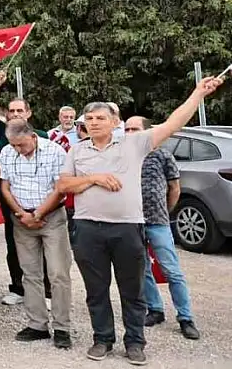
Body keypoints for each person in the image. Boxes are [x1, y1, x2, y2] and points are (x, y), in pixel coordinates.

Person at [57, 79, 220, 365]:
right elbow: (63, 185)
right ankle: (102, 339)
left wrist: (197, 94)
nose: (94, 123)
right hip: (87, 229)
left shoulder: (135, 143)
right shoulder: (78, 150)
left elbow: (173, 123)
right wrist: (93, 179)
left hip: (127, 228)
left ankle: (134, 342)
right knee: (96, 290)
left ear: (114, 121)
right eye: (90, 119)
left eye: (101, 118)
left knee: (132, 289)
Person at [0, 119, 73, 350]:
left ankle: (62, 327)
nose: (18, 150)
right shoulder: (8, 152)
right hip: (22, 219)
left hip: (51, 218)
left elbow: (60, 189)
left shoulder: (55, 151)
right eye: (13, 145)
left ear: (32, 136)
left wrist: (39, 213)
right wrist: (21, 213)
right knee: (30, 274)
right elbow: (5, 187)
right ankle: (37, 324)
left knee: (58, 273)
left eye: (21, 145)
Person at [124, 116, 200, 340]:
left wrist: (166, 211)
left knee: (171, 270)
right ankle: (155, 309)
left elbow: (174, 187)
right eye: (126, 129)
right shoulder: (124, 156)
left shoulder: (162, 155)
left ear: (147, 132)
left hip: (158, 221)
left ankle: (186, 317)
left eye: (134, 129)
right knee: (142, 269)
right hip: (132, 221)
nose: (130, 133)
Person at [0, 70, 49, 307]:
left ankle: (46, 292)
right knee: (14, 244)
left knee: (43, 247)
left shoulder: (41, 135)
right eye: (12, 111)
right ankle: (18, 288)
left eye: (21, 110)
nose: (16, 114)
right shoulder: (3, 131)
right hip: (10, 199)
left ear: (29, 113)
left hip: (40, 199)